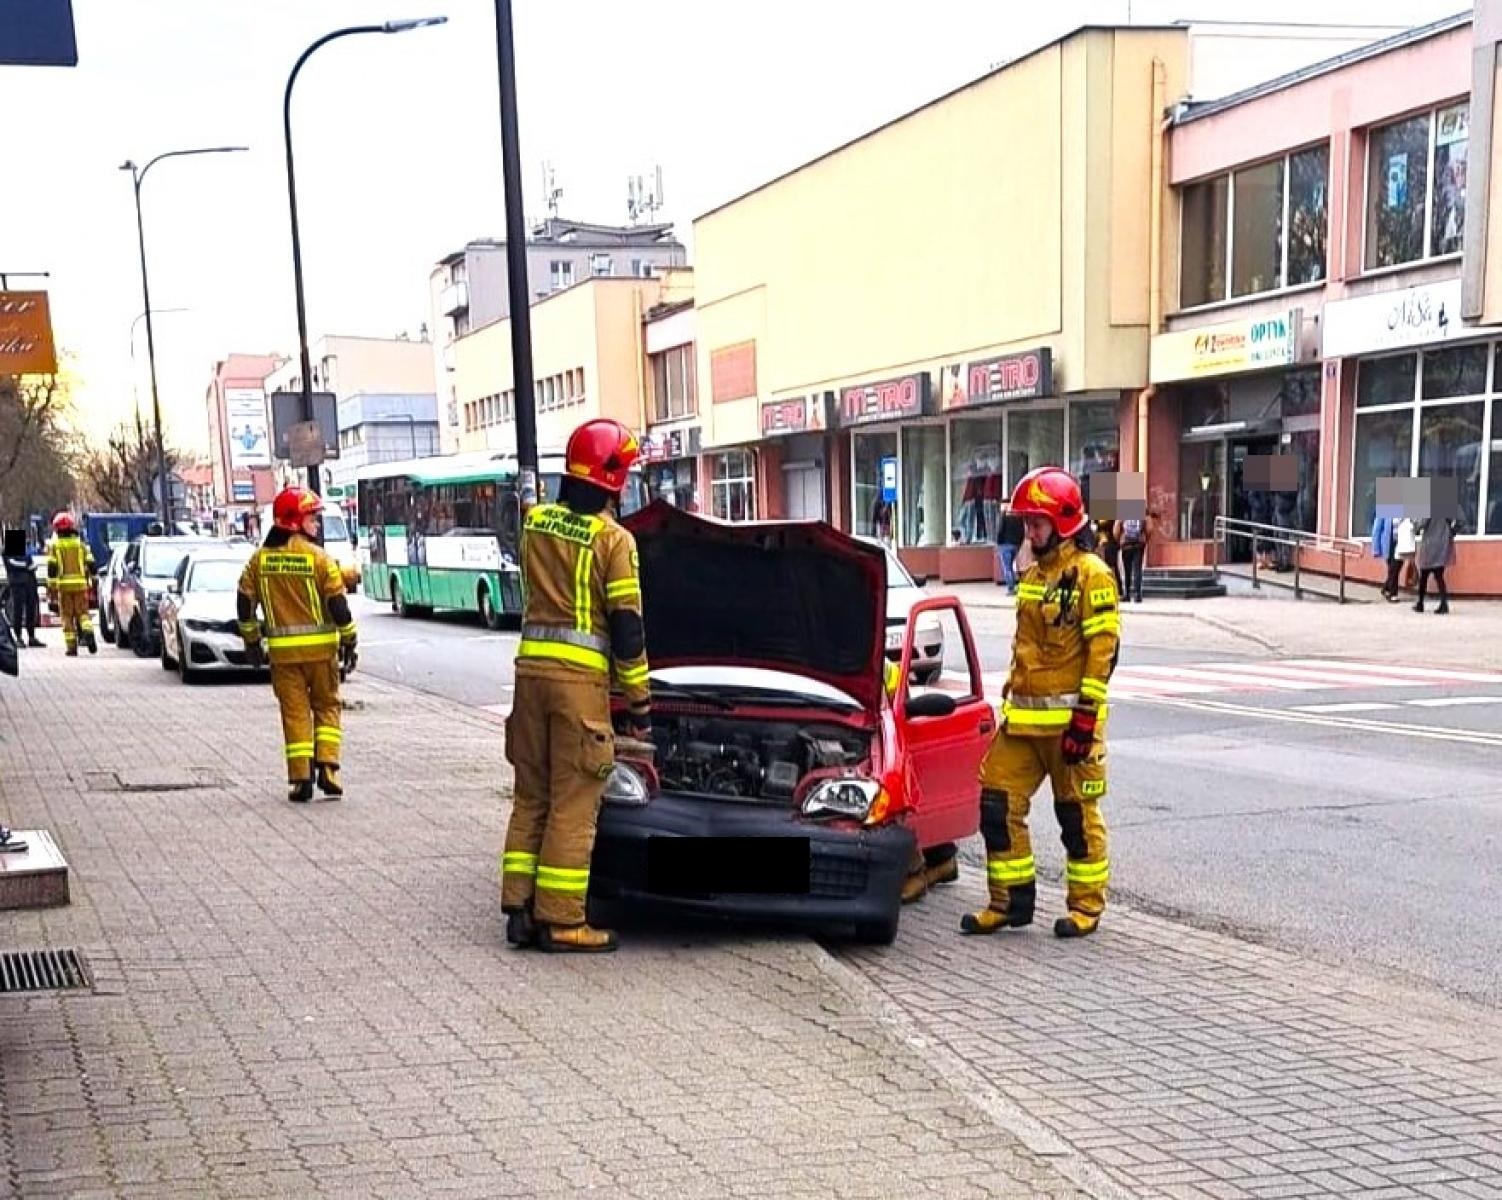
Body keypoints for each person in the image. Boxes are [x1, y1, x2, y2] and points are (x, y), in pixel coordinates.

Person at [501, 418, 651, 954]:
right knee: (575, 801)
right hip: (578, 687)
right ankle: (562, 921)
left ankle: (519, 908)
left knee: (531, 795)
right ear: (614, 476)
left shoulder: (536, 523)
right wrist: (639, 703)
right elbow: (627, 629)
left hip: (529, 678)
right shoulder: (614, 541)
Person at [962, 465, 1119, 940]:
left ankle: (1086, 908)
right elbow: (1026, 647)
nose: (1028, 531)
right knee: (997, 802)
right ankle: (1009, 902)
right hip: (1024, 724)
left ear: (1064, 522)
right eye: (1027, 522)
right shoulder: (1032, 574)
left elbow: (1103, 653)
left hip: (1071, 727)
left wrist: (1085, 720)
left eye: (1037, 523)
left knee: (1076, 818)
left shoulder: (1093, 575)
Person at [236, 487, 358, 803]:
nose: (317, 523)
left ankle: (300, 778)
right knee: (327, 707)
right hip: (321, 655)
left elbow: (244, 602)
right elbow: (338, 607)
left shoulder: (259, 561)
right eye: (312, 517)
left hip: (283, 656)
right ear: (295, 521)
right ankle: (329, 768)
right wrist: (349, 639)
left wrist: (251, 639)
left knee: (295, 714)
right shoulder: (319, 559)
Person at [45, 513, 96, 656]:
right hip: (81, 585)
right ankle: (88, 632)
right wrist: (93, 579)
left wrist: (52, 586)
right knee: (83, 614)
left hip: (64, 587)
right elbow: (91, 564)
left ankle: (72, 648)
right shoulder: (80, 544)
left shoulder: (55, 546)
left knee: (67, 617)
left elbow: (52, 568)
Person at [4, 530, 44, 647]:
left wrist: (30, 566)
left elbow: (31, 563)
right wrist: (27, 566)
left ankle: (31, 637)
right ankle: (18, 637)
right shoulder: (8, 550)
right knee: (18, 610)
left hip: (30, 582)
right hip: (17, 583)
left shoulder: (24, 551)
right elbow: (12, 563)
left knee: (31, 609)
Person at [1413, 515, 1458, 614]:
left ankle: (1420, 603)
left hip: (1430, 545)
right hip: (1443, 544)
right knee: (1439, 576)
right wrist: (1453, 530)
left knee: (1424, 576)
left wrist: (1415, 526)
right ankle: (1443, 604)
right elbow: (1460, 520)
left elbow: (1422, 523)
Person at [1115, 512, 1150, 603]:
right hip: (1139, 545)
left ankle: (1127, 595)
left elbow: (1116, 529)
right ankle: (1137, 595)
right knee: (1137, 570)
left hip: (1126, 545)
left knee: (1127, 571)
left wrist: (1120, 540)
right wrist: (1145, 539)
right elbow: (1149, 528)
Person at [1370, 512, 1401, 603]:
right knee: (1393, 568)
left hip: (1402, 543)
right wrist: (1376, 549)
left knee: (1396, 567)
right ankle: (1393, 594)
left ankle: (1386, 587)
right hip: (1389, 543)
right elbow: (1377, 529)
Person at [995, 503, 1023, 593]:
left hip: (1005, 545)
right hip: (1015, 545)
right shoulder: (1018, 519)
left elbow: (1000, 531)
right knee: (1011, 566)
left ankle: (1011, 588)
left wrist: (998, 543)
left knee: (1007, 567)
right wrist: (1019, 544)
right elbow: (1022, 532)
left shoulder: (1004, 518)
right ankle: (1015, 585)